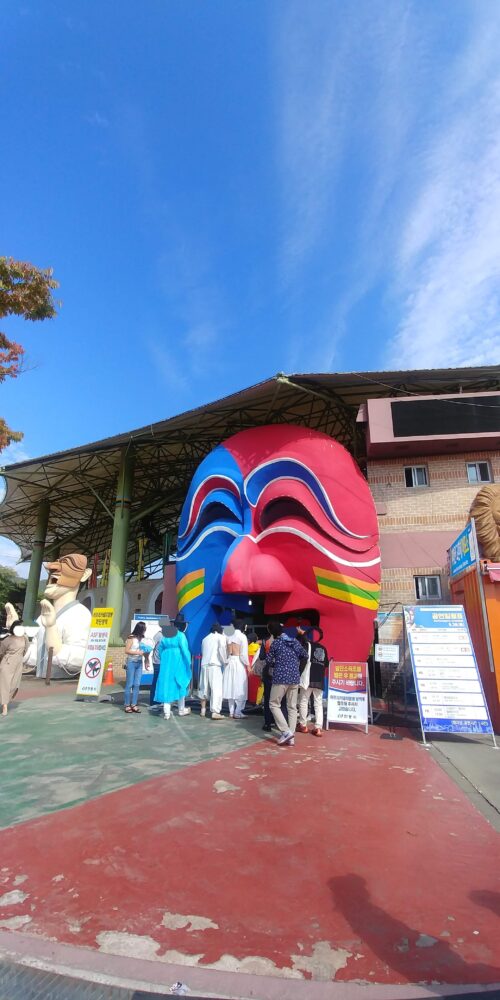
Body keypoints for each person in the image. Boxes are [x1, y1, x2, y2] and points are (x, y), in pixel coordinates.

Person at [263, 621, 308, 746]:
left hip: (281, 677)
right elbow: (305, 655)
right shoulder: (294, 641)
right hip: (294, 677)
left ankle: (286, 731)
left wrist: (277, 664)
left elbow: (267, 660)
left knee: (273, 704)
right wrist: (295, 667)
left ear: (272, 632)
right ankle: (291, 737)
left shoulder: (276, 643)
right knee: (292, 707)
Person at [155, 617, 192, 720]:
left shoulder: (165, 636)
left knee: (166, 685)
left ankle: (166, 713)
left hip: (166, 663)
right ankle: (181, 710)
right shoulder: (181, 635)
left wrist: (164, 659)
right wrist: (188, 662)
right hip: (178, 662)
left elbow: (160, 649)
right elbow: (185, 650)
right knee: (181, 684)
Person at [297, 626, 329, 737]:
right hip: (319, 679)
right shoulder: (324, 648)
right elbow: (326, 664)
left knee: (304, 701)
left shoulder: (307, 646)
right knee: (318, 703)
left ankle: (303, 725)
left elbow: (302, 661)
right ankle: (318, 727)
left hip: (308, 679)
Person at [0, 615, 28, 716]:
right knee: (5, 684)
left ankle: (5, 701)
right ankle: (4, 706)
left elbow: (26, 650)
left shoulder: (25, 638)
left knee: (14, 684)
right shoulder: (8, 639)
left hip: (18, 663)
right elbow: (1, 651)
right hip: (7, 663)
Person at [199, 622, 227, 719]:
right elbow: (222, 650)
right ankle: (215, 711)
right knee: (216, 689)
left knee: (203, 687)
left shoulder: (205, 639)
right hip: (214, 665)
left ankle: (203, 709)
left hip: (204, 664)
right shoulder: (220, 637)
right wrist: (225, 661)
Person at [222, 620, 248, 718]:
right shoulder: (242, 636)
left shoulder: (228, 635)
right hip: (238, 662)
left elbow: (224, 649)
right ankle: (238, 711)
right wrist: (248, 665)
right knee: (240, 687)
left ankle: (231, 712)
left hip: (229, 662)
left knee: (230, 687)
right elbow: (243, 654)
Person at [124, 621, 146, 714]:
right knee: (129, 684)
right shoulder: (131, 638)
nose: (145, 631)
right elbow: (127, 650)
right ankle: (127, 705)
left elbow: (143, 650)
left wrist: (147, 659)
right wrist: (138, 652)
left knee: (137, 684)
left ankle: (134, 704)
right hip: (131, 662)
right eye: (144, 629)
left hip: (140, 662)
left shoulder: (141, 638)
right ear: (140, 629)